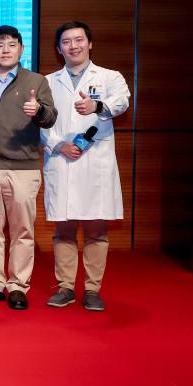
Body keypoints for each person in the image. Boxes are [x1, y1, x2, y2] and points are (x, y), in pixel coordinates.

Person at [40, 21, 130, 312]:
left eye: (79, 40)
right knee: (63, 230)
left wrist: (97, 106)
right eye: (66, 42)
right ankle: (65, 287)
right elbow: (40, 121)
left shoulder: (109, 77)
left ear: (89, 44)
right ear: (59, 49)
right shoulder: (48, 81)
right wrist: (59, 145)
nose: (73, 46)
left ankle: (92, 290)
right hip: (61, 159)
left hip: (95, 162)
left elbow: (122, 103)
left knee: (96, 231)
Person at [0, 26, 57, 311]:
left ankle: (18, 285)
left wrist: (38, 110)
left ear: (21, 49)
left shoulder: (36, 81)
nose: (5, 50)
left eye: (11, 44)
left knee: (22, 231)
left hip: (22, 168)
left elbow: (51, 117)